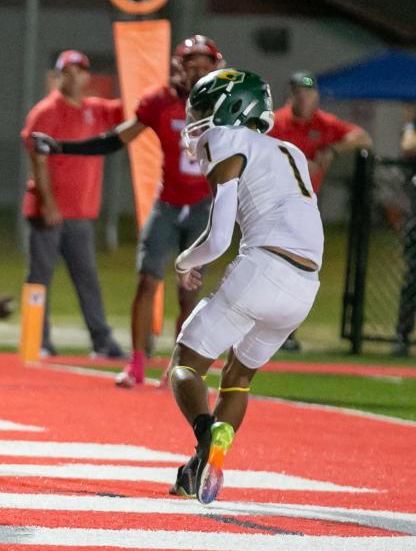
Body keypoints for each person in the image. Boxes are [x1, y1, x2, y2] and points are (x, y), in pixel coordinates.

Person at [166, 68, 322, 504]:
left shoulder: (226, 140)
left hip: (264, 268)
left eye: (202, 107)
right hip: (305, 287)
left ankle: (204, 437)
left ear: (230, 107)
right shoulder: (290, 150)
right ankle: (200, 467)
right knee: (238, 377)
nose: (195, 119)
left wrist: (183, 262)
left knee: (186, 362)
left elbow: (218, 240)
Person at [34, 35, 224, 385]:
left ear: (217, 67)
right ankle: (137, 364)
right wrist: (64, 147)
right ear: (178, 67)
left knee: (189, 292)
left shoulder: (227, 104)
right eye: (191, 63)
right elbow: (116, 139)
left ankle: (179, 366)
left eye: (204, 64)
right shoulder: (160, 101)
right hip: (168, 203)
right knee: (147, 279)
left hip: (204, 205)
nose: (197, 71)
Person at [20, 49, 125, 359]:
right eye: (67, 71)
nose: (74, 76)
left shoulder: (95, 109)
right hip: (48, 212)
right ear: (57, 76)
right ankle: (38, 340)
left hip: (80, 213)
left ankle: (102, 341)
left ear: (88, 76)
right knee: (40, 279)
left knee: (87, 279)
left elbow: (134, 109)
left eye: (80, 70)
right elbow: (37, 160)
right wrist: (48, 204)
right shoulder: (47, 111)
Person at [269, 71, 371, 351]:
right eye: (298, 92)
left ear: (316, 95)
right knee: (272, 268)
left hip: (306, 208)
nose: (303, 97)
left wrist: (333, 150)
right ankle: (267, 329)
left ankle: (285, 332)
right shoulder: (276, 122)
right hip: (274, 204)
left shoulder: (323, 124)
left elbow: (363, 137)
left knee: (300, 272)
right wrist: (295, 165)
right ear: (290, 95)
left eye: (308, 92)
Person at [395, 105, 416, 356]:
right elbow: (408, 147)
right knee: (412, 278)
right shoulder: (411, 128)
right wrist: (410, 124)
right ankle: (402, 335)